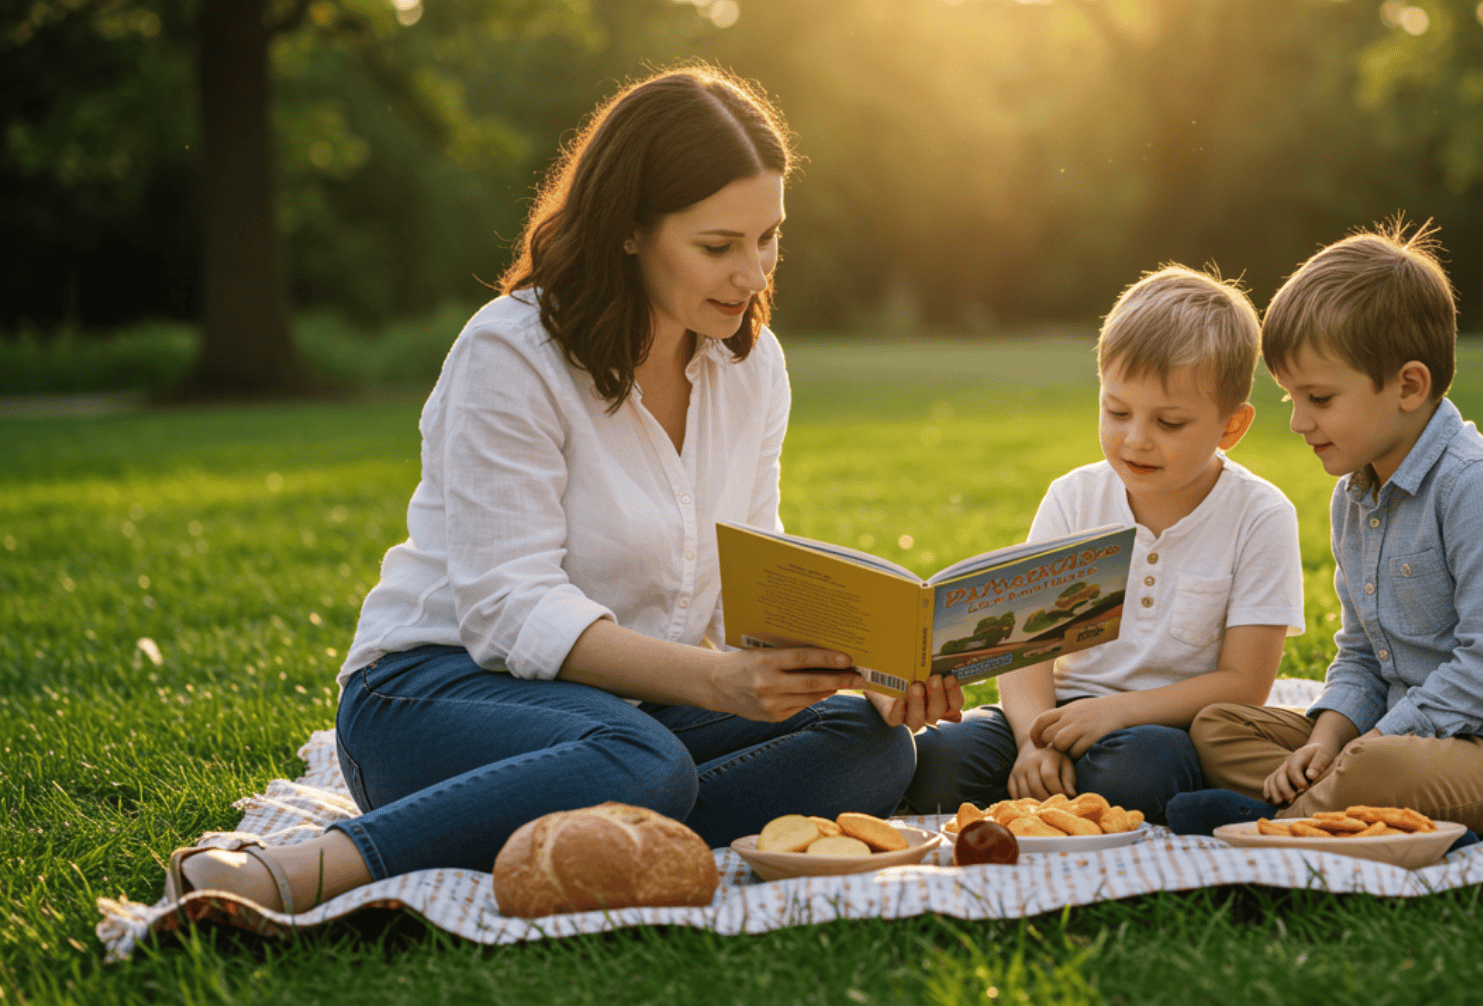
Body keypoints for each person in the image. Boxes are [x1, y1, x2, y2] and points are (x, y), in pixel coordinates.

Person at [165, 67, 955, 914]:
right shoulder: (511, 355)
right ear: (628, 233)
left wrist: (864, 672)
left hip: (632, 713)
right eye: (718, 246)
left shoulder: (750, 364)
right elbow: (507, 607)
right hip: (436, 693)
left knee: (869, 750)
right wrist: (719, 684)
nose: (753, 273)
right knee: (640, 760)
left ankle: (605, 831)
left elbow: (746, 574)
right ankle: (307, 870)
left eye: (770, 238)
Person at [1178, 221, 1483, 839]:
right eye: (1289, 398)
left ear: (1408, 386)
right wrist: (1326, 743)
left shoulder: (1478, 485)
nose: (1298, 421)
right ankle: (1319, 802)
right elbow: (1360, 654)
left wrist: (1369, 744)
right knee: (1218, 725)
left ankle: (1279, 821)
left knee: (1377, 767)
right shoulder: (1353, 496)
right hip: (1395, 737)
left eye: (1319, 398)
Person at [904, 267, 1304, 824]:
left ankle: (1060, 795)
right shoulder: (1074, 498)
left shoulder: (1260, 515)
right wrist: (1032, 740)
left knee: (1135, 772)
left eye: (1169, 422)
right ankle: (1051, 785)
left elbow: (1246, 683)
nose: (1135, 438)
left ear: (1231, 428)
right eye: (1117, 411)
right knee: (936, 762)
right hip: (1053, 714)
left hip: (1158, 727)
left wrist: (1116, 713)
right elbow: (1026, 653)